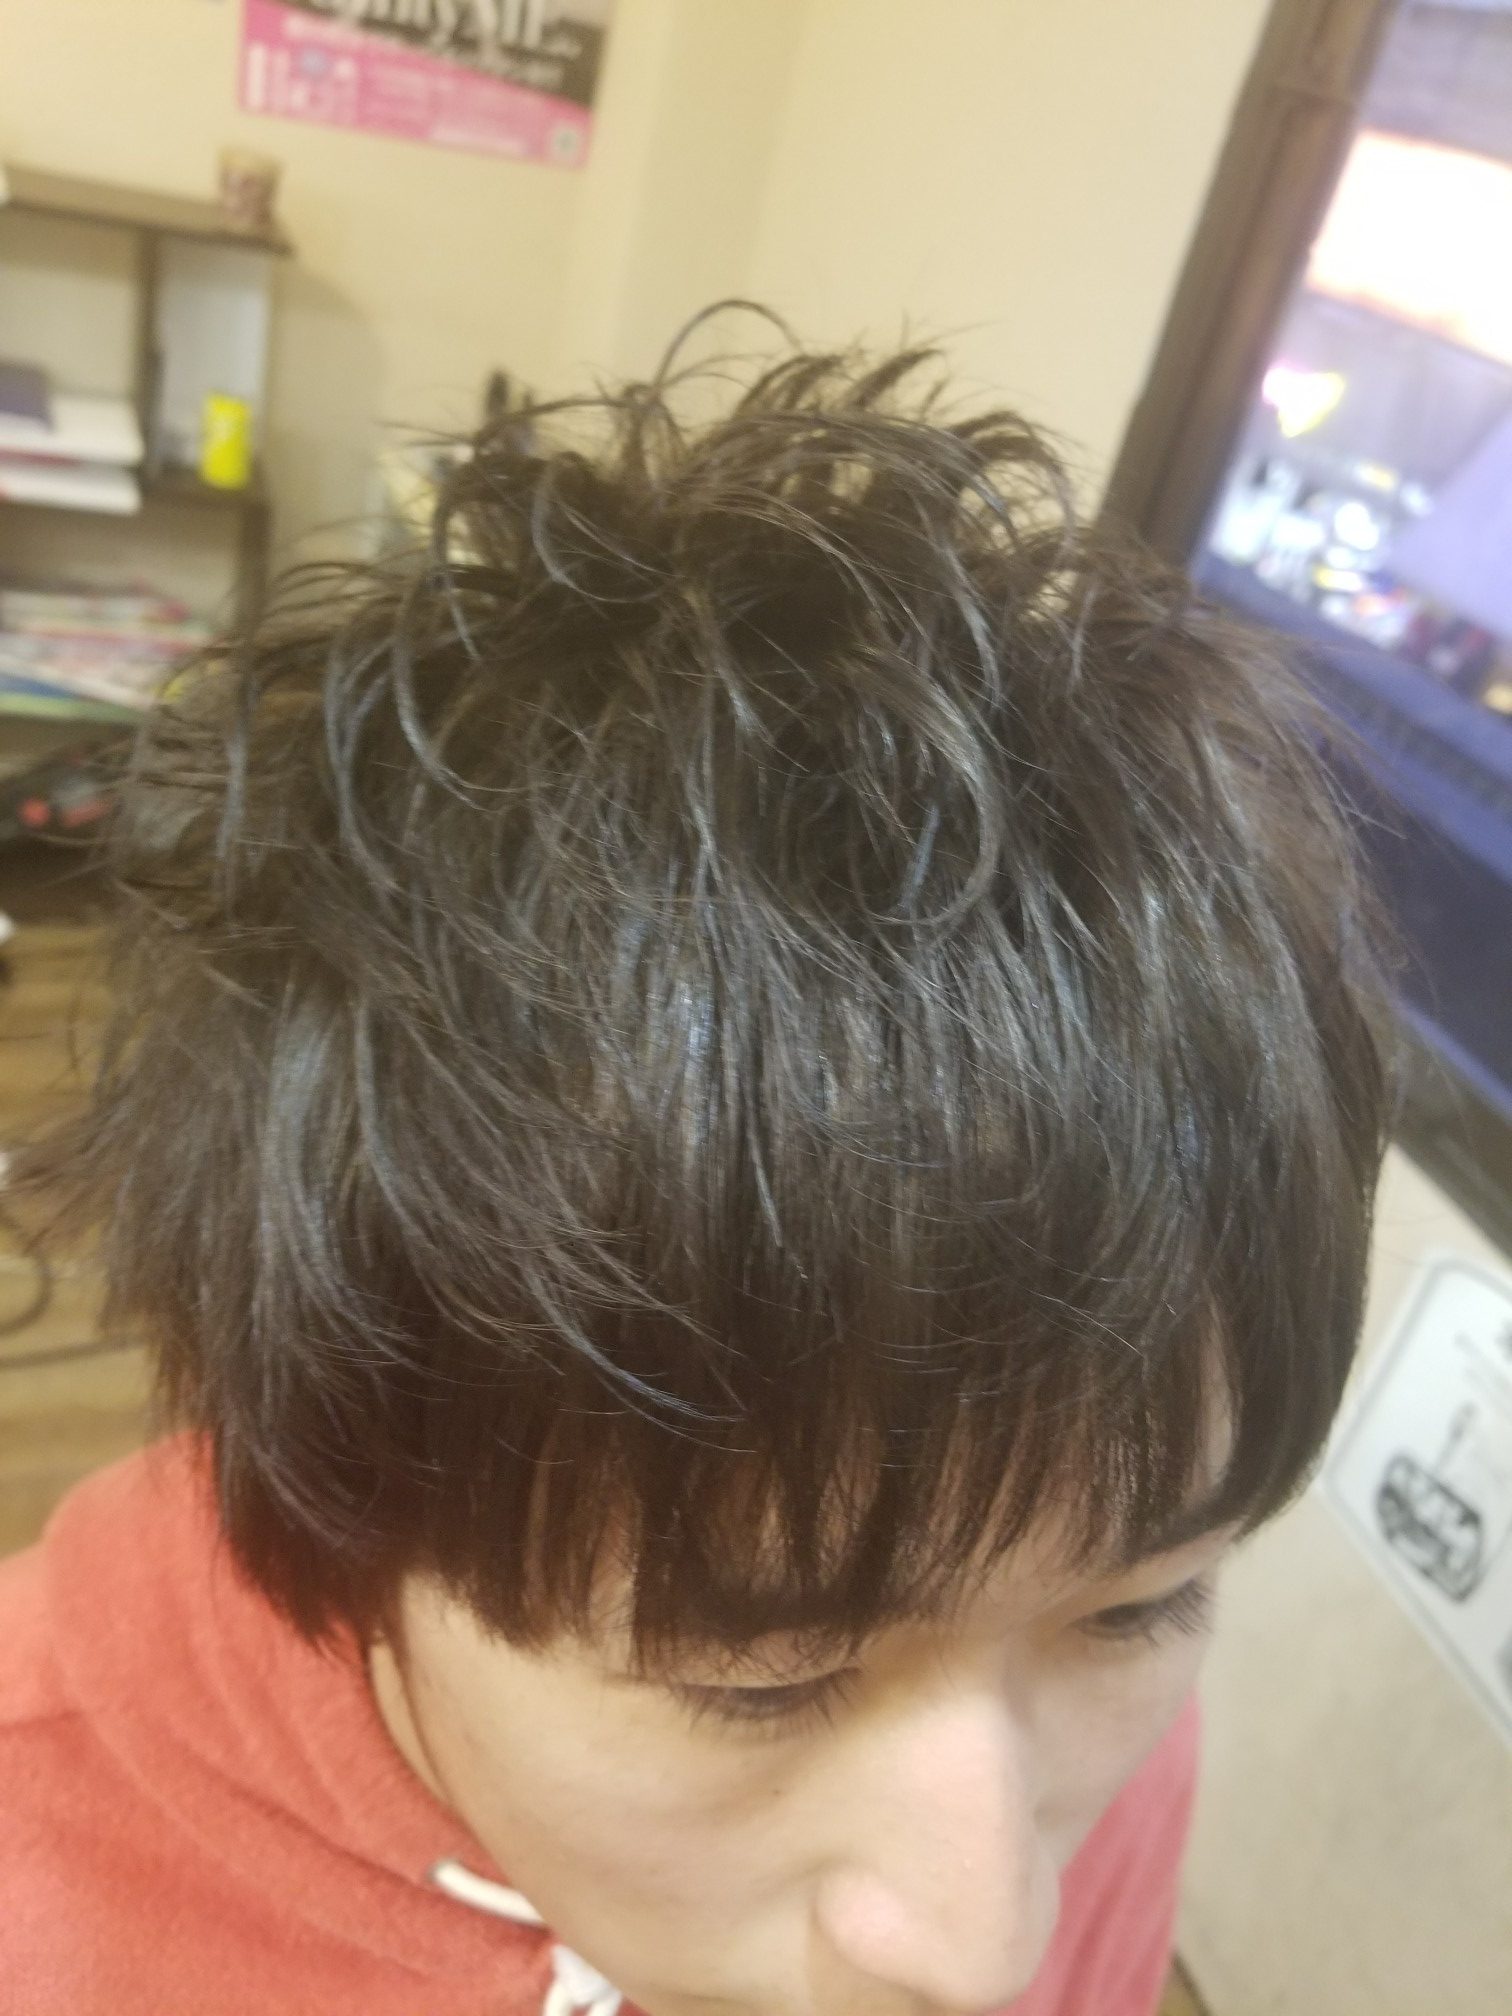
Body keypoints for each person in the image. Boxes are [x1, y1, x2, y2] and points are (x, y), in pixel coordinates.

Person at [0, 323, 1393, 2016]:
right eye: (762, 1681)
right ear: (351, 1541)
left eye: (1144, 1610)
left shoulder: (1052, 1713)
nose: (989, 1948)